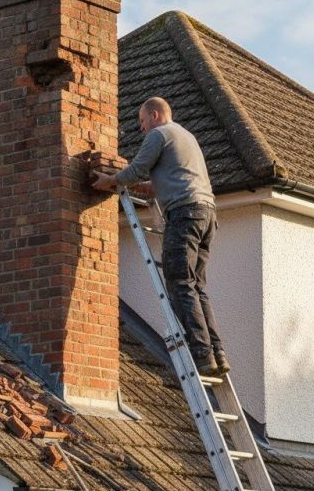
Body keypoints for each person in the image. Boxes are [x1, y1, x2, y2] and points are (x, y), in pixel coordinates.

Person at [91, 96, 230, 377]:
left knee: (179, 282)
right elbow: (158, 184)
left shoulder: (159, 135)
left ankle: (201, 354)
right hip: (206, 215)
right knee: (196, 286)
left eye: (142, 121)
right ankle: (216, 352)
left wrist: (111, 181)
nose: (141, 128)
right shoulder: (185, 137)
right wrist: (136, 185)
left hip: (185, 214)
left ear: (154, 115)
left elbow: (137, 170)